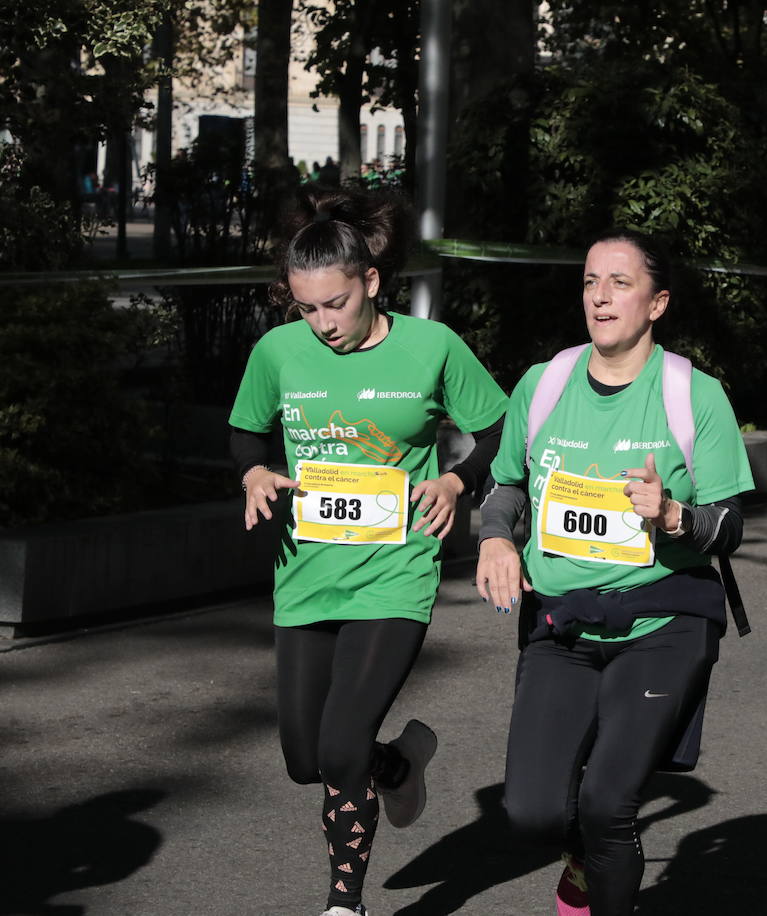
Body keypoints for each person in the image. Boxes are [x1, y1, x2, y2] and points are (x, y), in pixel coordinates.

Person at [228, 185, 508, 916]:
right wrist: (254, 470)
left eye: (336, 304)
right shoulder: (277, 352)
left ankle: (343, 905)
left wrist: (456, 480)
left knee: (341, 745)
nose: (322, 323)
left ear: (371, 282)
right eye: (306, 308)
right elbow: (245, 431)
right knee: (304, 758)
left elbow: (502, 431)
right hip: (306, 574)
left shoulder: (432, 347)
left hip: (395, 571)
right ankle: (399, 761)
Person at [477, 229, 754, 916]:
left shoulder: (695, 395)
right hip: (561, 621)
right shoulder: (544, 385)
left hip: (662, 622)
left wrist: (671, 517)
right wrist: (494, 538)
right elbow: (505, 484)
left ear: (657, 303)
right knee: (532, 813)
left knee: (608, 802)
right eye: (590, 282)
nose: (599, 298)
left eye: (619, 283)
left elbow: (730, 527)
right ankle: (581, 855)